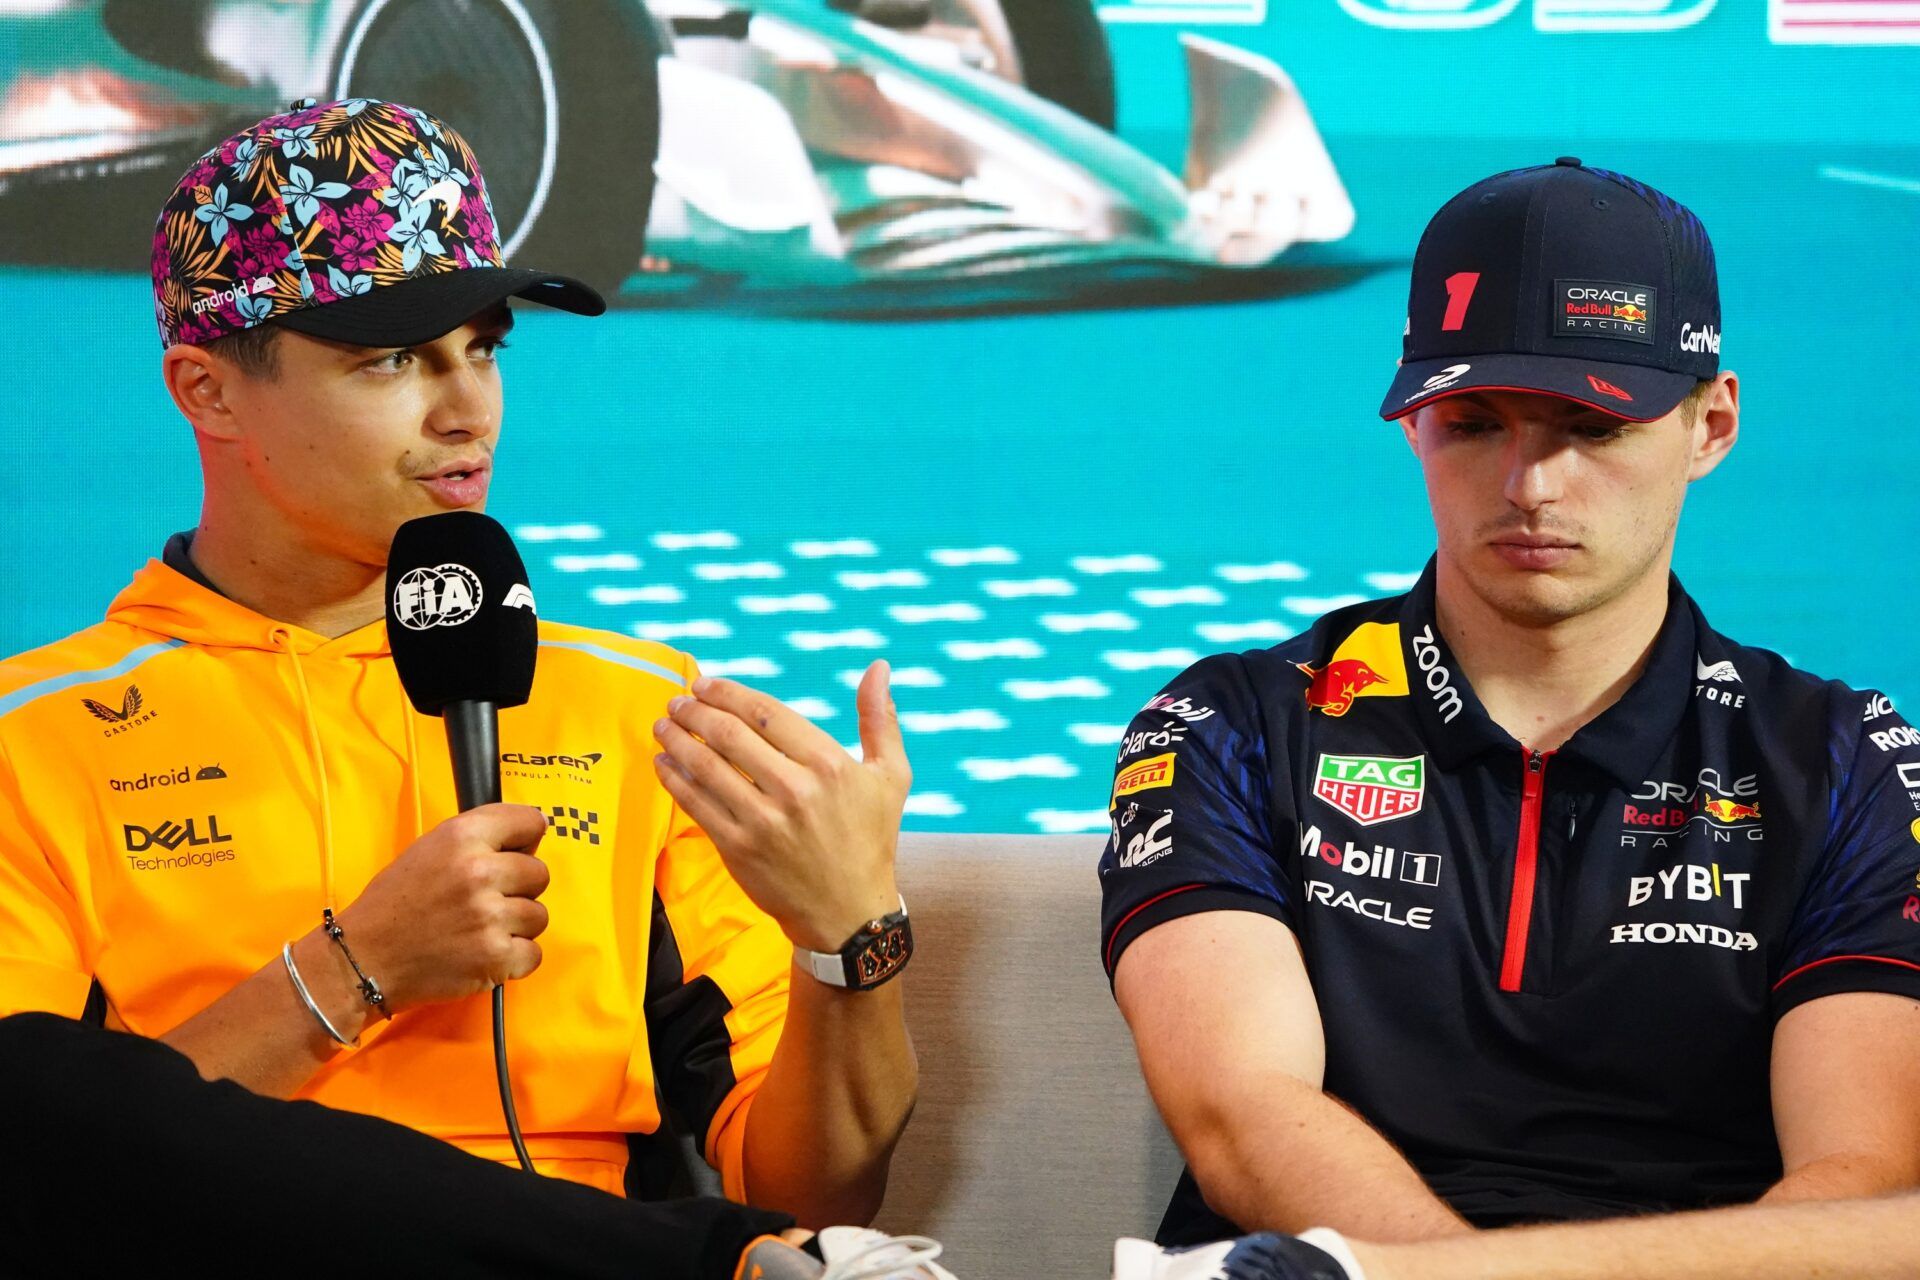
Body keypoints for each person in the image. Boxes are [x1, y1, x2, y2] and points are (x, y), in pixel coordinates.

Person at [0, 94, 925, 1266]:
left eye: (483, 347)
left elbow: (817, 1196)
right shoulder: (29, 738)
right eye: (392, 359)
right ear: (208, 389)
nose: (466, 409)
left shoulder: (649, 709)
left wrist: (849, 944)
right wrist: (358, 967)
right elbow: (30, 1159)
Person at [1098, 159, 1920, 1249]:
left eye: (1593, 424)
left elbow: (1863, 1181)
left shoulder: (1846, 758)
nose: (1532, 484)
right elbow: (1241, 1118)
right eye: (1476, 421)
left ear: (1712, 424)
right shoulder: (1234, 722)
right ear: (1411, 421)